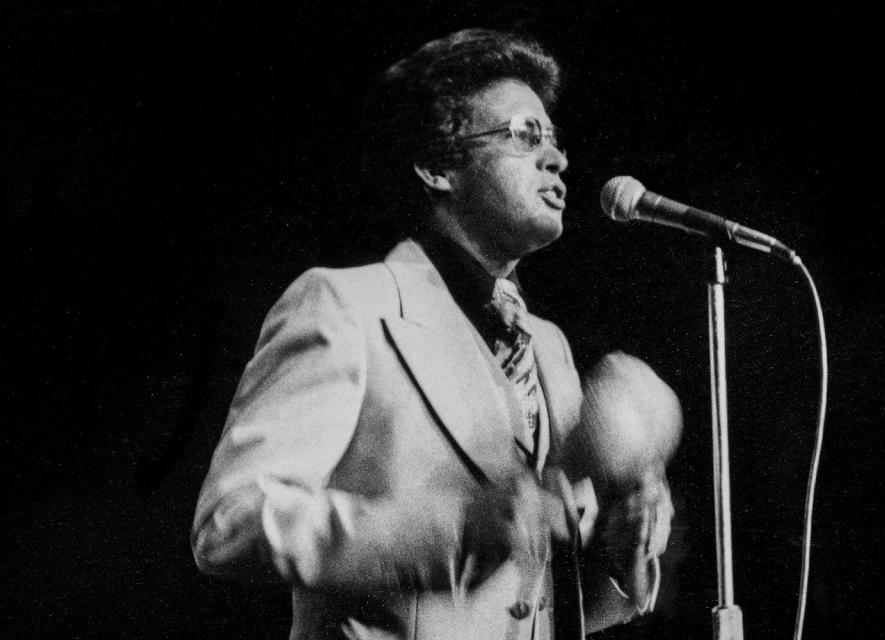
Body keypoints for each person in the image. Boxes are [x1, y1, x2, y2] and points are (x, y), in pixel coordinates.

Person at [191, 28, 681, 640]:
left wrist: (619, 548)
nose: (558, 158)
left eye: (553, 139)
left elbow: (534, 601)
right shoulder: (345, 305)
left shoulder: (549, 347)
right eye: (525, 135)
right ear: (436, 167)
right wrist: (456, 531)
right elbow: (229, 526)